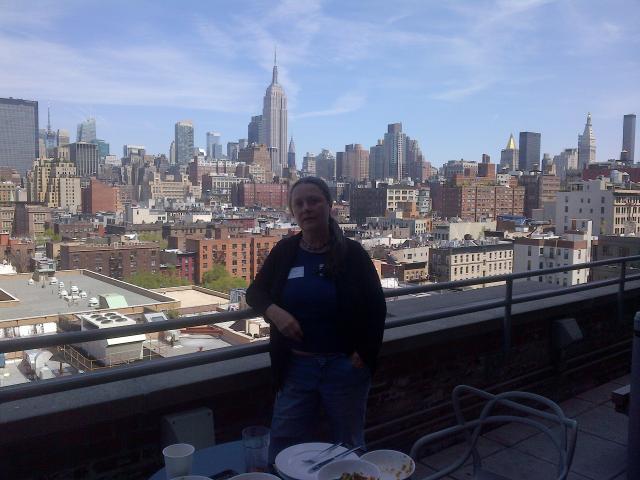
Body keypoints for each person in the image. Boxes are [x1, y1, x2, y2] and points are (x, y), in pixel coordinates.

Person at [246, 176, 387, 460]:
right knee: (283, 444)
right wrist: (276, 313)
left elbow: (376, 308)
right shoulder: (285, 251)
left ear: (330, 206)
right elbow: (255, 293)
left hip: (343, 366)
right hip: (296, 366)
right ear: (292, 211)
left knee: (348, 444)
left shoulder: (353, 254)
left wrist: (364, 355)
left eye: (313, 201)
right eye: (299, 203)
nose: (306, 208)